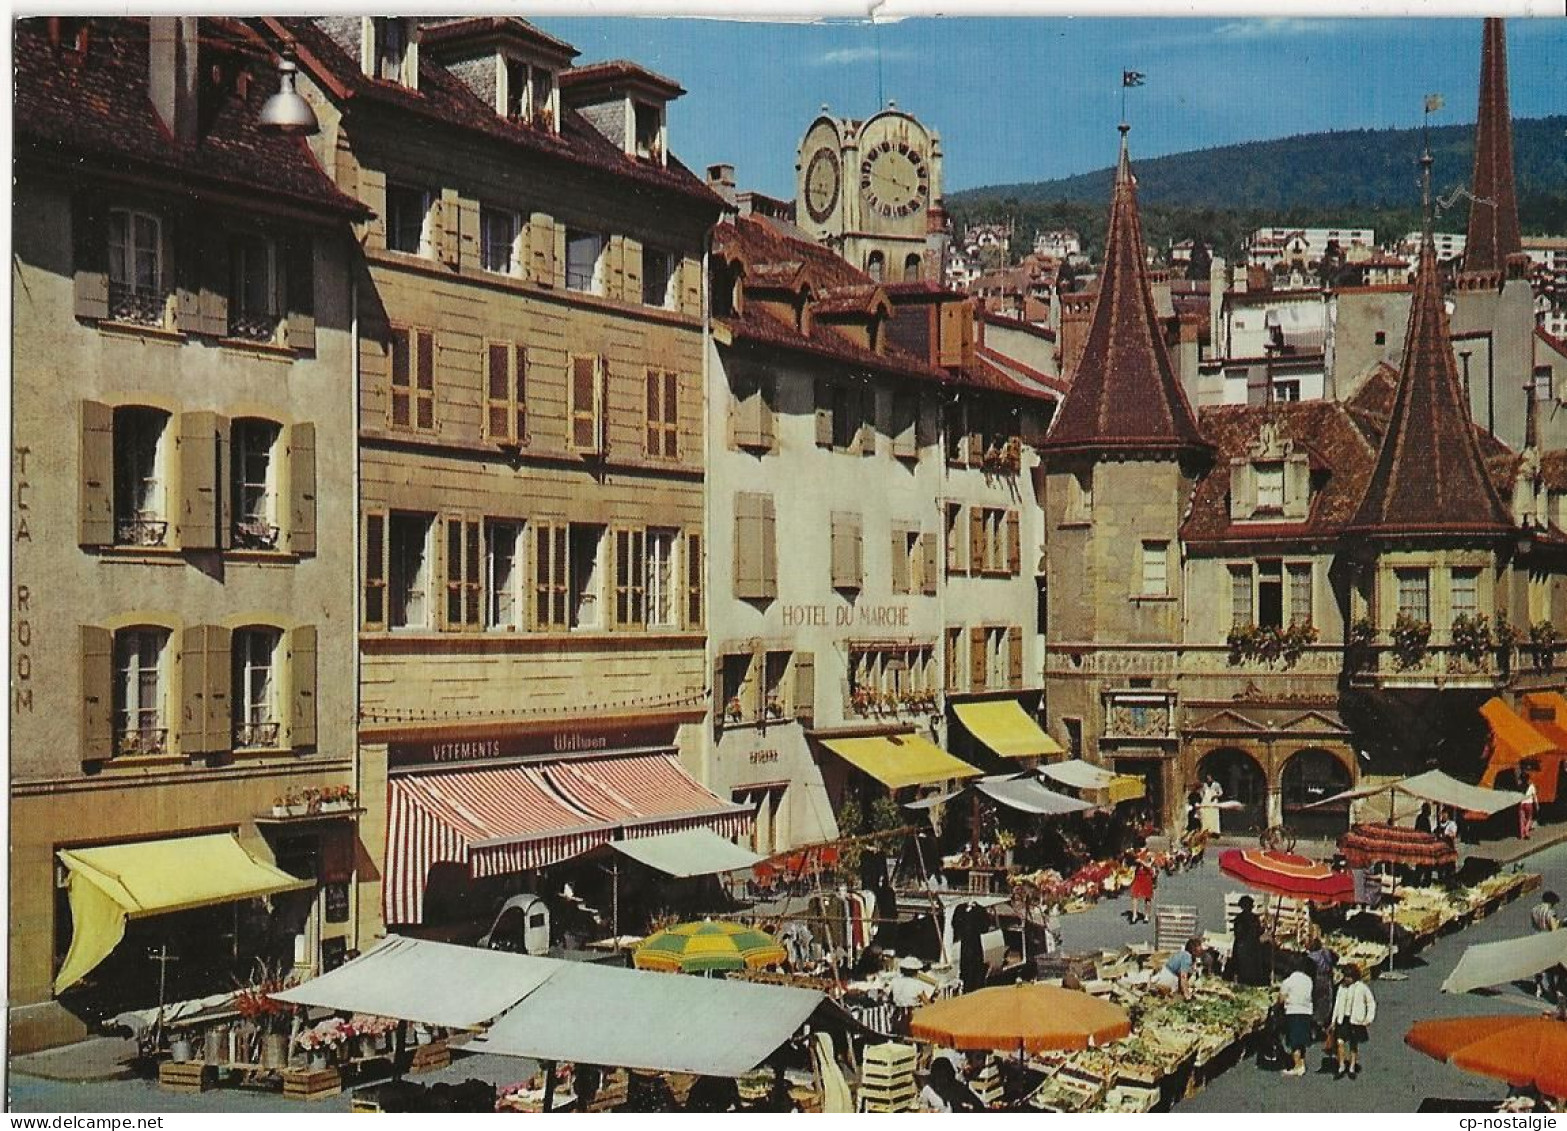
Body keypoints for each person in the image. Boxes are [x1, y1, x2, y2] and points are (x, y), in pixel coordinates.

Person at [1330, 964, 1376, 1080]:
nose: (1346, 979)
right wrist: (1333, 1020)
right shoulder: (1341, 987)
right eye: (1345, 976)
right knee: (1339, 1042)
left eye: (1349, 977)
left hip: (1355, 1020)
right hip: (1343, 1018)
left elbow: (1371, 1002)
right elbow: (1337, 1004)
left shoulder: (1361, 987)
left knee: (1353, 1044)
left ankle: (1351, 1067)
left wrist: (1368, 1018)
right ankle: (1341, 1065)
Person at [1278, 954, 1317, 1077]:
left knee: (1294, 1041)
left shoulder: (1288, 981)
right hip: (1306, 1011)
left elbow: (1281, 998)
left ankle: (1296, 1066)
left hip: (1293, 1010)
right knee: (1302, 1039)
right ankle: (1302, 1063)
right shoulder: (1308, 980)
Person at [1306, 933, 1339, 1049]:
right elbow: (1336, 958)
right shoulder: (1327, 952)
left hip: (1317, 981)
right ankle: (1325, 1024)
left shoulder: (1311, 957)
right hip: (1328, 979)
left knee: (1317, 1003)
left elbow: (1308, 969)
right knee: (1327, 1002)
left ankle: (1317, 1027)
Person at [1228, 895, 1268, 987]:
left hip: (1248, 948)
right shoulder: (1246, 919)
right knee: (1246, 969)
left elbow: (1255, 932)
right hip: (1246, 948)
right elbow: (1241, 933)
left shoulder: (1247, 918)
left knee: (1247, 969)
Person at [919, 1056, 984, 1113]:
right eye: (939, 1076)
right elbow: (922, 1110)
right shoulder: (928, 1090)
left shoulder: (958, 1088)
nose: (942, 1079)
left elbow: (978, 1105)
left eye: (945, 1075)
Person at [1532, 891, 1562, 1000]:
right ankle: (1550, 990)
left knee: (1537, 965)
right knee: (1549, 966)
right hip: (1547, 939)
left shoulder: (1534, 909)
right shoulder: (1550, 912)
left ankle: (1538, 988)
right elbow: (1554, 930)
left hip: (1536, 937)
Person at [1127, 853, 1156, 925]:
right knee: (1134, 896)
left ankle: (1146, 915)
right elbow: (1132, 867)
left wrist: (1141, 861)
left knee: (1147, 898)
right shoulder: (1137, 857)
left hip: (1147, 878)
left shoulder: (1151, 856)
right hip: (1138, 878)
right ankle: (1134, 915)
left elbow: (1149, 866)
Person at [1521, 775, 1539, 840]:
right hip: (1529, 803)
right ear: (1528, 779)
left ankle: (1522, 835)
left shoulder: (1521, 785)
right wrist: (1537, 805)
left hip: (1521, 803)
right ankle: (1526, 832)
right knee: (1529, 818)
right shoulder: (1531, 786)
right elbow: (1534, 796)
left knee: (1522, 820)